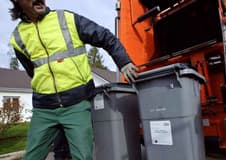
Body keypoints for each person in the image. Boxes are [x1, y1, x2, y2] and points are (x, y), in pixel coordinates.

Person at [9, 0, 139, 159]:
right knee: (32, 157)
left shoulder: (66, 19)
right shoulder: (18, 37)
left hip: (76, 104)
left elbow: (105, 36)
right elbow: (33, 71)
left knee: (82, 157)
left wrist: (124, 62)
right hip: (44, 108)